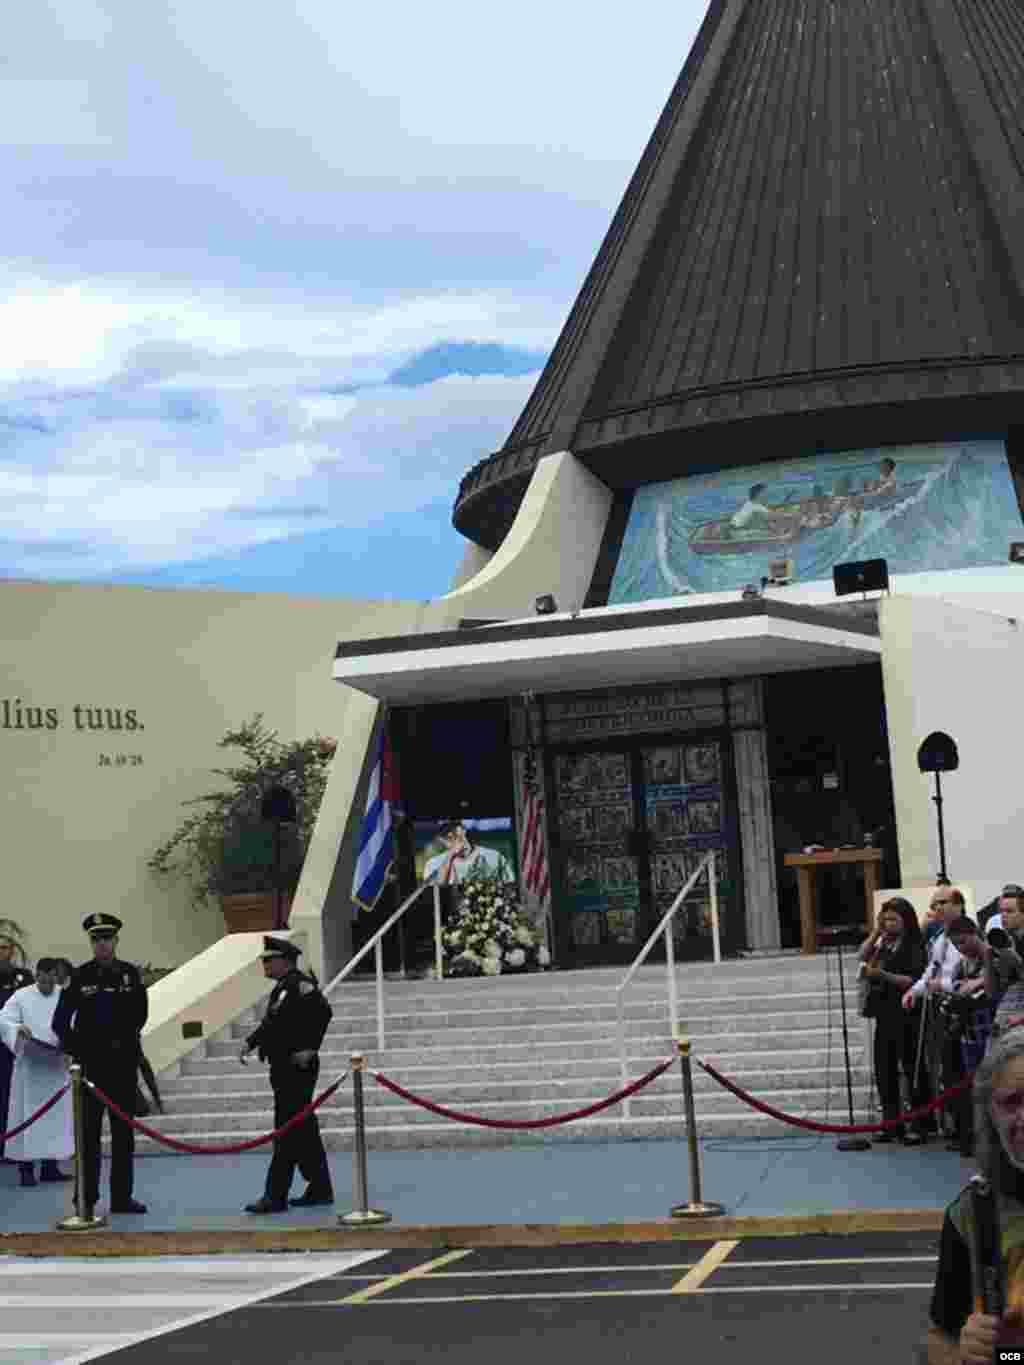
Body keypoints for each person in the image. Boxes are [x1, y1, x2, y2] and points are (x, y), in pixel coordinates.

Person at [924, 1031, 1024, 1362]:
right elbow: (940, 1338)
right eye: (1011, 1103)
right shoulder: (971, 1214)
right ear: (990, 1116)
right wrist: (963, 1353)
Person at [52, 913, 149, 1216]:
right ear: (91, 944)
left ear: (116, 941)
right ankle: (86, 1199)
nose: (102, 945)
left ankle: (122, 1198)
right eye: (96, 940)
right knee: (88, 1139)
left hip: (121, 1067)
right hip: (90, 1070)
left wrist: (124, 1045)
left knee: (123, 1138)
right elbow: (59, 1022)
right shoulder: (79, 977)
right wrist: (76, 1050)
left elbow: (140, 1016)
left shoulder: (130, 975)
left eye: (106, 939)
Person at [239, 937, 333, 1214]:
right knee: (304, 1131)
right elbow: (272, 1024)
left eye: (269, 959)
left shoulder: (299, 985)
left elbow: (324, 1012)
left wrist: (310, 1048)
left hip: (297, 1069)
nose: (265, 964)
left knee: (286, 1132)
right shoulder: (282, 989)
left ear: (285, 961)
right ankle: (320, 1187)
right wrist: (251, 1042)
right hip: (283, 1068)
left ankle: (275, 1195)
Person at [859, 898, 929, 1145]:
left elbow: (913, 980)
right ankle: (891, 1123)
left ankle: (919, 1124)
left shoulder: (914, 945)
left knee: (911, 1068)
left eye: (893, 920)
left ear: (906, 920)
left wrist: (882, 975)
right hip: (883, 1013)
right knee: (884, 1068)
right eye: (885, 919)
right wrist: (876, 931)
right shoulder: (882, 943)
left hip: (907, 1013)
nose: (888, 924)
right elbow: (861, 955)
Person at [903, 888, 969, 1151]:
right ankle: (958, 1130)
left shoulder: (966, 933)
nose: (936, 908)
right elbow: (930, 972)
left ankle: (968, 1132)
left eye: (941, 903)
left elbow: (959, 978)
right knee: (949, 1072)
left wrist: (936, 984)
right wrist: (914, 991)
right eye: (933, 905)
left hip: (963, 1011)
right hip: (941, 1010)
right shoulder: (939, 938)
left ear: (957, 904)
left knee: (962, 1072)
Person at [0, 958, 73, 1186]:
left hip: (55, 1066)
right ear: (37, 974)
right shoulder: (21, 996)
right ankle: (26, 1171)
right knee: (26, 1119)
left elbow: (75, 1021)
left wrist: (69, 1043)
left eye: (52, 978)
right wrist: (17, 1029)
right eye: (44, 977)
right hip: (29, 1069)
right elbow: (3, 1019)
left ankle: (51, 1168)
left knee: (54, 1120)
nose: (48, 983)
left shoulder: (65, 995)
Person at [0, 935, 33, 1161]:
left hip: (20, 1047)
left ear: (12, 951)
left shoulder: (24, 977)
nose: (3, 952)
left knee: (21, 1097)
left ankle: (22, 1147)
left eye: (5, 948)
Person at [422, 821, 514, 886]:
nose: (453, 838)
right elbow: (434, 892)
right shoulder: (433, 863)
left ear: (464, 830)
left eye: (455, 832)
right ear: (441, 840)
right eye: (447, 836)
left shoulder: (494, 856)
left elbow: (510, 885)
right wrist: (450, 856)